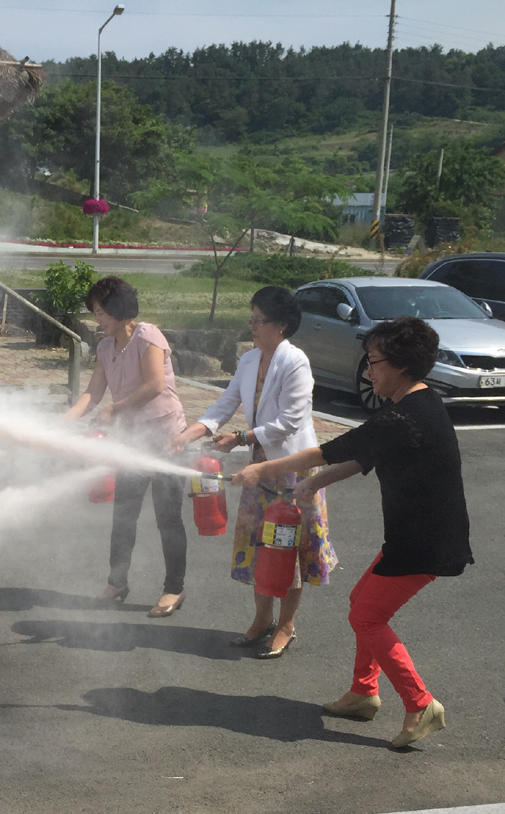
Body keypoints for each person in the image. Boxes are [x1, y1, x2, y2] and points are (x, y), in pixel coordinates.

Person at [232, 316, 473, 748]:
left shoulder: (404, 415)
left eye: (374, 361)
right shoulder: (414, 405)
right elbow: (362, 457)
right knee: (361, 604)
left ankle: (420, 704)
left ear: (400, 365)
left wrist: (264, 467)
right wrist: (313, 482)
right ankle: (364, 693)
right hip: (413, 536)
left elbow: (333, 449)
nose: (368, 370)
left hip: (425, 543)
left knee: (366, 615)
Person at [170, 287, 337, 659]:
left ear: (280, 325)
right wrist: (191, 433)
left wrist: (243, 437)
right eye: (251, 317)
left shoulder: (295, 362)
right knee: (261, 547)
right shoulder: (249, 360)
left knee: (288, 547)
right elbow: (225, 402)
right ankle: (262, 620)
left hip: (294, 467)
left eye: (258, 319)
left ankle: (286, 625)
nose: (251, 325)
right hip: (259, 467)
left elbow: (291, 422)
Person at [66, 276, 189, 618]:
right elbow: (92, 393)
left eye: (101, 312)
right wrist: (68, 419)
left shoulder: (147, 335)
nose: (97, 319)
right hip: (133, 443)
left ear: (120, 311)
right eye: (95, 312)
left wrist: (115, 409)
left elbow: (154, 386)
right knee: (124, 516)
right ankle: (117, 581)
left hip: (167, 439)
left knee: (168, 519)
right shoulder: (105, 348)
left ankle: (173, 588)